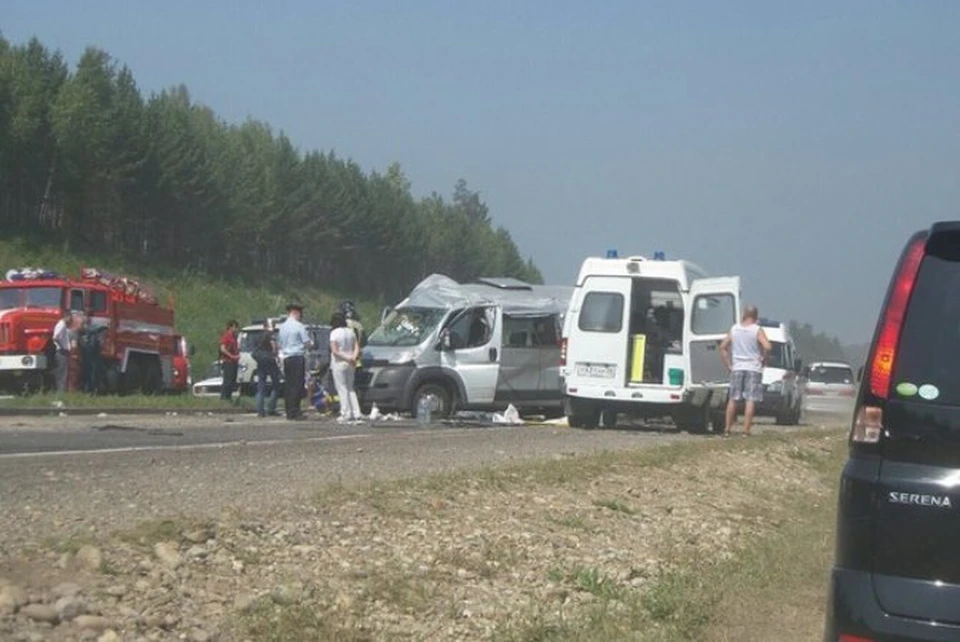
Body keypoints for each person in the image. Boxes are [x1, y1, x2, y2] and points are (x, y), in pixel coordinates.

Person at [719, 305, 772, 436]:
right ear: (755, 316)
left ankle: (727, 429)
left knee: (733, 399)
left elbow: (723, 346)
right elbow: (768, 346)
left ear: (744, 314)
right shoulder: (757, 330)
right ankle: (745, 431)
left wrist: (728, 365)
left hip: (737, 367)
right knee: (750, 399)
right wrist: (763, 358)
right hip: (753, 368)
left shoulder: (734, 329)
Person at [277, 302, 312, 420]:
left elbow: (280, 343)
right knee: (297, 385)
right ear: (296, 313)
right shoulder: (299, 326)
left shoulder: (282, 327)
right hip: (297, 356)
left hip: (287, 358)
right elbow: (307, 343)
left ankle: (289, 411)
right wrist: (310, 344)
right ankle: (296, 411)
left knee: (289, 385)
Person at [329, 310, 362, 424]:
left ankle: (345, 413)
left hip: (339, 362)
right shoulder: (350, 332)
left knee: (341, 388)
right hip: (351, 362)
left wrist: (346, 357)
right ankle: (356, 412)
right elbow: (357, 346)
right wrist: (353, 357)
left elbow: (335, 351)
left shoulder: (334, 333)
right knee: (350, 388)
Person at [253, 330, 281, 417]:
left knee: (261, 385)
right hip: (269, 360)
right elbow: (274, 348)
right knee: (276, 384)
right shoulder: (270, 335)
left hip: (261, 361)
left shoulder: (258, 336)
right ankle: (271, 408)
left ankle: (260, 410)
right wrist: (275, 353)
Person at [51, 312, 73, 393]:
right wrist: (62, 347)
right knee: (62, 374)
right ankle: (60, 393)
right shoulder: (62, 325)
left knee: (63, 373)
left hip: (62, 352)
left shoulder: (63, 325)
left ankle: (61, 391)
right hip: (62, 352)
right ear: (67, 316)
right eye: (70, 318)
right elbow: (55, 337)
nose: (71, 320)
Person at [219, 320, 240, 402]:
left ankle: (229, 397)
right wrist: (231, 356)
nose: (237, 329)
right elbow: (222, 348)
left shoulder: (234, 337)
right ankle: (224, 397)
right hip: (228, 361)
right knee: (227, 380)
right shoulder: (226, 336)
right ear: (231, 327)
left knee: (232, 380)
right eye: (235, 327)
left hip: (234, 362)